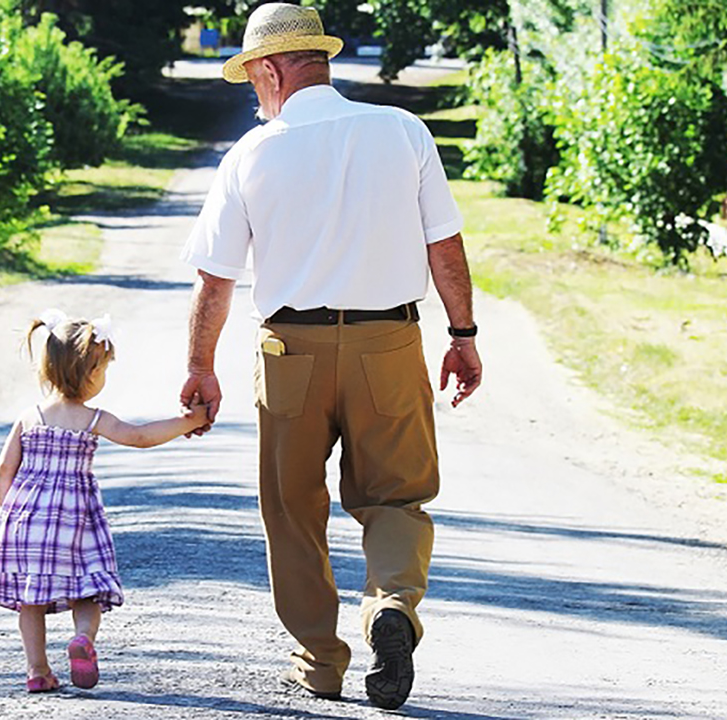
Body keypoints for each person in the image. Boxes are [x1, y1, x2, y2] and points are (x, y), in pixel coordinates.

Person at [178, 3, 483, 710]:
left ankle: (320, 661)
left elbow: (214, 281)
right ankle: (391, 609)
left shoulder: (251, 154)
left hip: (290, 352)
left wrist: (200, 366)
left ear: (271, 69)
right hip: (389, 341)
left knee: (291, 508)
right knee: (396, 498)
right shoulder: (402, 132)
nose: (255, 92)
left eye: (253, 78)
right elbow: (445, 245)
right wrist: (462, 336)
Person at [0, 310, 209, 693]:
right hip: (74, 521)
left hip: (24, 521)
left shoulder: (28, 417)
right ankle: (83, 637)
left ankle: (37, 671)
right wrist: (189, 421)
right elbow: (140, 437)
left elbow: (4, 469)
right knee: (87, 588)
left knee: (30, 601)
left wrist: (8, 518)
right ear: (93, 375)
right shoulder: (93, 418)